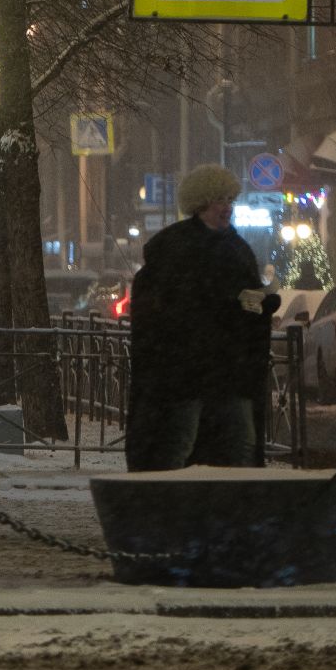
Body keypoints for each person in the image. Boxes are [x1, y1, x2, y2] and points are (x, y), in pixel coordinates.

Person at [126, 165, 279, 471]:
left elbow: (241, 298)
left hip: (229, 372)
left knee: (241, 445)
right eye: (220, 200)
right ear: (201, 204)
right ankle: (165, 505)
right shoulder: (176, 248)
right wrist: (226, 306)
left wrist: (263, 301)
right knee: (177, 444)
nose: (228, 208)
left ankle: (234, 507)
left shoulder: (237, 248)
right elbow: (168, 308)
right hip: (186, 372)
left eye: (230, 200)